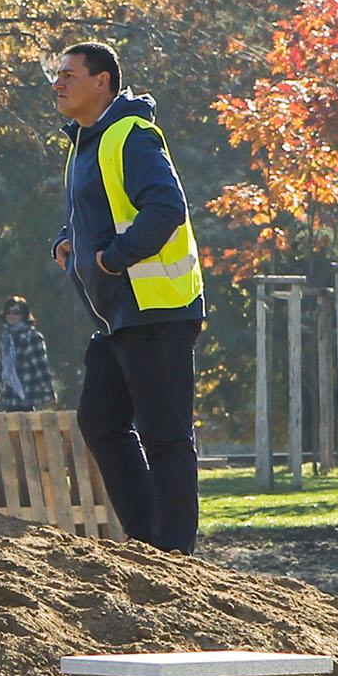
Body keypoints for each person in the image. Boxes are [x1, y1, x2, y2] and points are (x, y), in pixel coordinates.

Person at [49, 40, 206, 552]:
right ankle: (146, 540)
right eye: (58, 75)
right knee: (100, 421)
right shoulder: (86, 143)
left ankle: (175, 551)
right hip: (120, 313)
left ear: (103, 81)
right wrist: (69, 243)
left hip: (157, 308)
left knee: (166, 436)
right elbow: (97, 211)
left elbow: (165, 208)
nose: (59, 83)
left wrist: (113, 258)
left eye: (70, 74)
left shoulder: (130, 134)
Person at [0, 296, 57, 411]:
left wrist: (48, 394)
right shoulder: (6, 338)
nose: (11, 316)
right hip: (8, 397)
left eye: (16, 312)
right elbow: (1, 366)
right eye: (8, 312)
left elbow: (41, 367)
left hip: (26, 397)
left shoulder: (32, 336)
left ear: (24, 315)